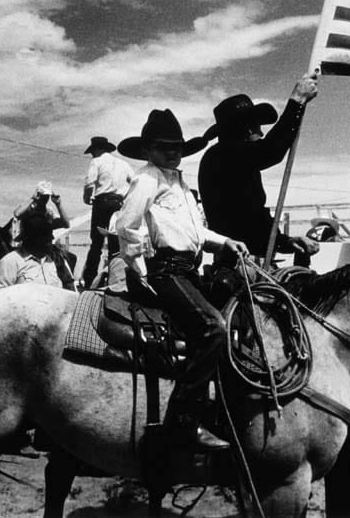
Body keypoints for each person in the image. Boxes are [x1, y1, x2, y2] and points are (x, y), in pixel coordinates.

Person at [115, 108, 249, 450]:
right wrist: (141, 269)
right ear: (147, 150)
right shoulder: (147, 179)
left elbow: (195, 232)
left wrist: (225, 241)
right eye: (163, 147)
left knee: (239, 309)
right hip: (164, 270)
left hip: (187, 269)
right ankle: (183, 423)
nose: (172, 152)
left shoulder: (180, 184)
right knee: (213, 327)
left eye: (176, 146)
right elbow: (126, 225)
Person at [198, 73, 320, 262]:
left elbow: (254, 219)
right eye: (257, 127)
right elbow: (271, 150)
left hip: (251, 260)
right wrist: (297, 101)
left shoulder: (233, 160)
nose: (261, 133)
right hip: (238, 264)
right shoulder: (222, 156)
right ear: (247, 129)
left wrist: (286, 242)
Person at [81, 136, 134, 288]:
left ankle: (90, 280)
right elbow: (135, 182)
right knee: (115, 243)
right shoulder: (123, 164)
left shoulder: (96, 161)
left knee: (96, 243)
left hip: (102, 203)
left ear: (97, 150)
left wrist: (87, 198)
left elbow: (90, 183)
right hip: (118, 204)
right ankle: (115, 279)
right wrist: (126, 197)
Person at [0, 213, 65, 288]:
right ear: (31, 239)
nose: (51, 239)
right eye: (45, 236)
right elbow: (1, 293)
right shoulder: (10, 262)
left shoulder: (49, 261)